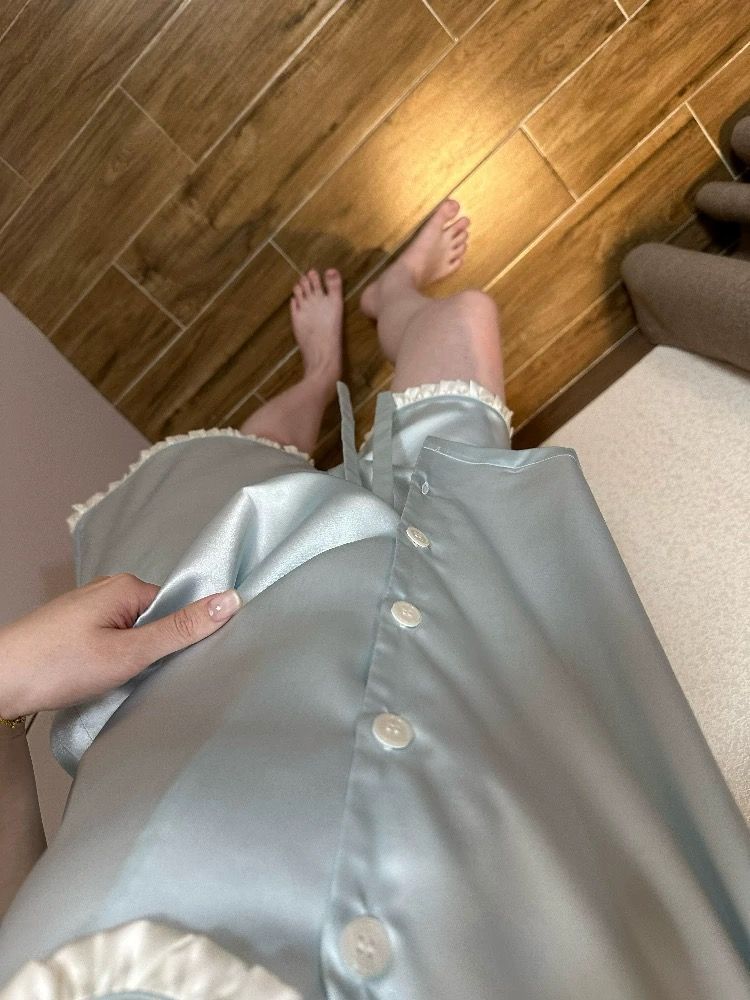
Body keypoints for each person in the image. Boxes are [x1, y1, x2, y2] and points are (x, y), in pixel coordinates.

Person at [1, 199, 749, 999]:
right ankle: (391, 302)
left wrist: (5, 688)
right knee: (466, 320)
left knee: (237, 470)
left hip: (201, 671)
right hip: (490, 688)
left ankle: (319, 372)